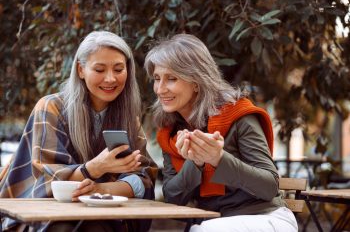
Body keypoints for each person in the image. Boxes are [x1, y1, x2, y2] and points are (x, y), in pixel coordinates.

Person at [0, 31, 157, 231]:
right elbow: (47, 178)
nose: (110, 79)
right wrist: (94, 169)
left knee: (98, 227)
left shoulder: (129, 117)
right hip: (42, 210)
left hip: (100, 211)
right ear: (81, 70)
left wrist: (99, 189)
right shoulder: (51, 107)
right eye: (99, 69)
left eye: (118, 69)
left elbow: (144, 179)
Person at [144, 34, 298, 232]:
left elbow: (269, 186)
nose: (160, 89)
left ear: (196, 82)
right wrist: (196, 162)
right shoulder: (170, 133)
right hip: (211, 223)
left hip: (264, 218)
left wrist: (218, 159)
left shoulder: (239, 115)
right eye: (157, 79)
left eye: (171, 79)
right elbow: (174, 198)